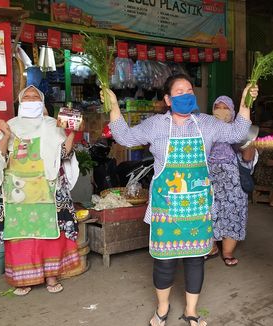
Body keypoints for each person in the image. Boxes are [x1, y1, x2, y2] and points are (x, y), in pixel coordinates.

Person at [105, 74, 258, 326]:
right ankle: (162, 310)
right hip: (166, 206)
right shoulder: (156, 125)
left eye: (189, 90)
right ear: (167, 99)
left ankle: (191, 311)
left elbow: (239, 131)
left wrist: (245, 100)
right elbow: (125, 138)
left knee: (196, 259)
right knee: (164, 261)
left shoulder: (206, 123)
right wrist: (112, 105)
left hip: (197, 206)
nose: (186, 95)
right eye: (179, 91)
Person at [0, 85, 80, 296]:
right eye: (26, 97)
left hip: (46, 189)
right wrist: (5, 135)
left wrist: (72, 131)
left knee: (49, 234)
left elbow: (64, 154)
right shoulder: (10, 125)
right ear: (20, 102)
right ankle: (23, 279)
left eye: (35, 97)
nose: (30, 99)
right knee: (21, 235)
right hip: (17, 192)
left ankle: (51, 275)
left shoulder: (51, 125)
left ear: (42, 102)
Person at [206, 96, 258, 267]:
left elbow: (248, 157)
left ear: (233, 111)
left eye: (225, 108)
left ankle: (227, 252)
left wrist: (248, 139)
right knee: (209, 212)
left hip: (233, 181)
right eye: (217, 107)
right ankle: (212, 247)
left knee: (232, 213)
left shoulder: (239, 129)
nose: (221, 111)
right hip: (211, 179)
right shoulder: (207, 129)